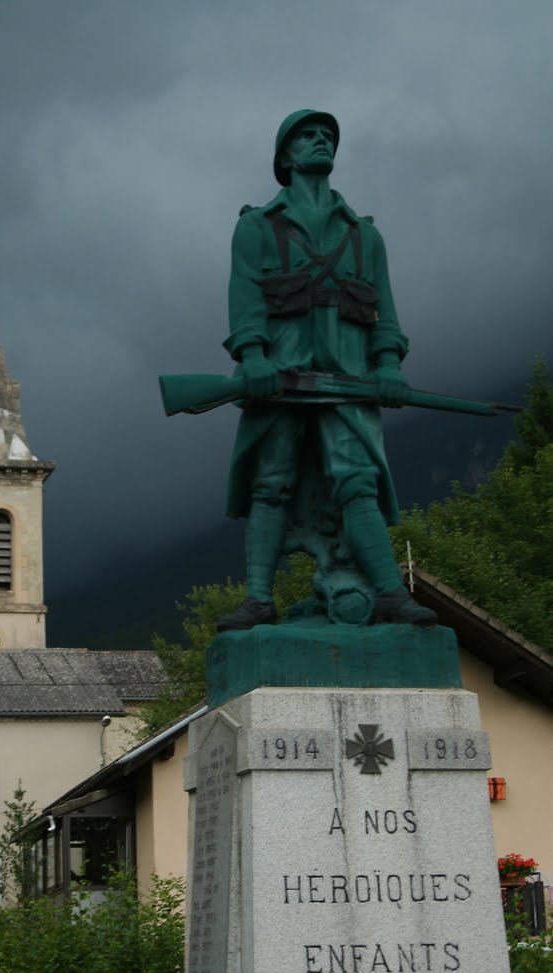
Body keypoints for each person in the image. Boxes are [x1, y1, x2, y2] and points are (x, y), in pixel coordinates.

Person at [217, 109, 437, 632]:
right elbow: (245, 299)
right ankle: (258, 600)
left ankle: (388, 593)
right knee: (270, 485)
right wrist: (252, 358)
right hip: (281, 381)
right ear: (285, 157)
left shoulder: (365, 237)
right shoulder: (255, 227)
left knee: (357, 482)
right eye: (307, 136)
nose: (320, 142)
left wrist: (388, 365)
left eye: (327, 136)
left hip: (348, 381)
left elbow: (386, 312)